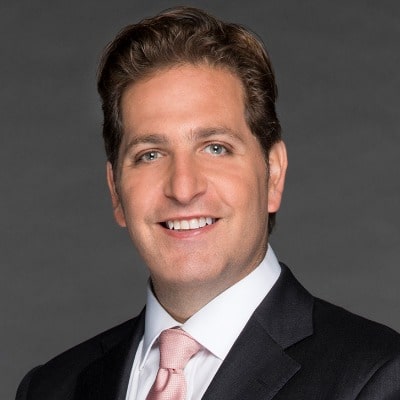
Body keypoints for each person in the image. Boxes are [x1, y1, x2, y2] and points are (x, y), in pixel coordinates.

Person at [16, 6, 400, 400]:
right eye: (150, 154)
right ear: (116, 191)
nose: (183, 188)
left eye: (216, 148)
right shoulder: (49, 388)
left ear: (273, 174)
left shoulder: (378, 378)